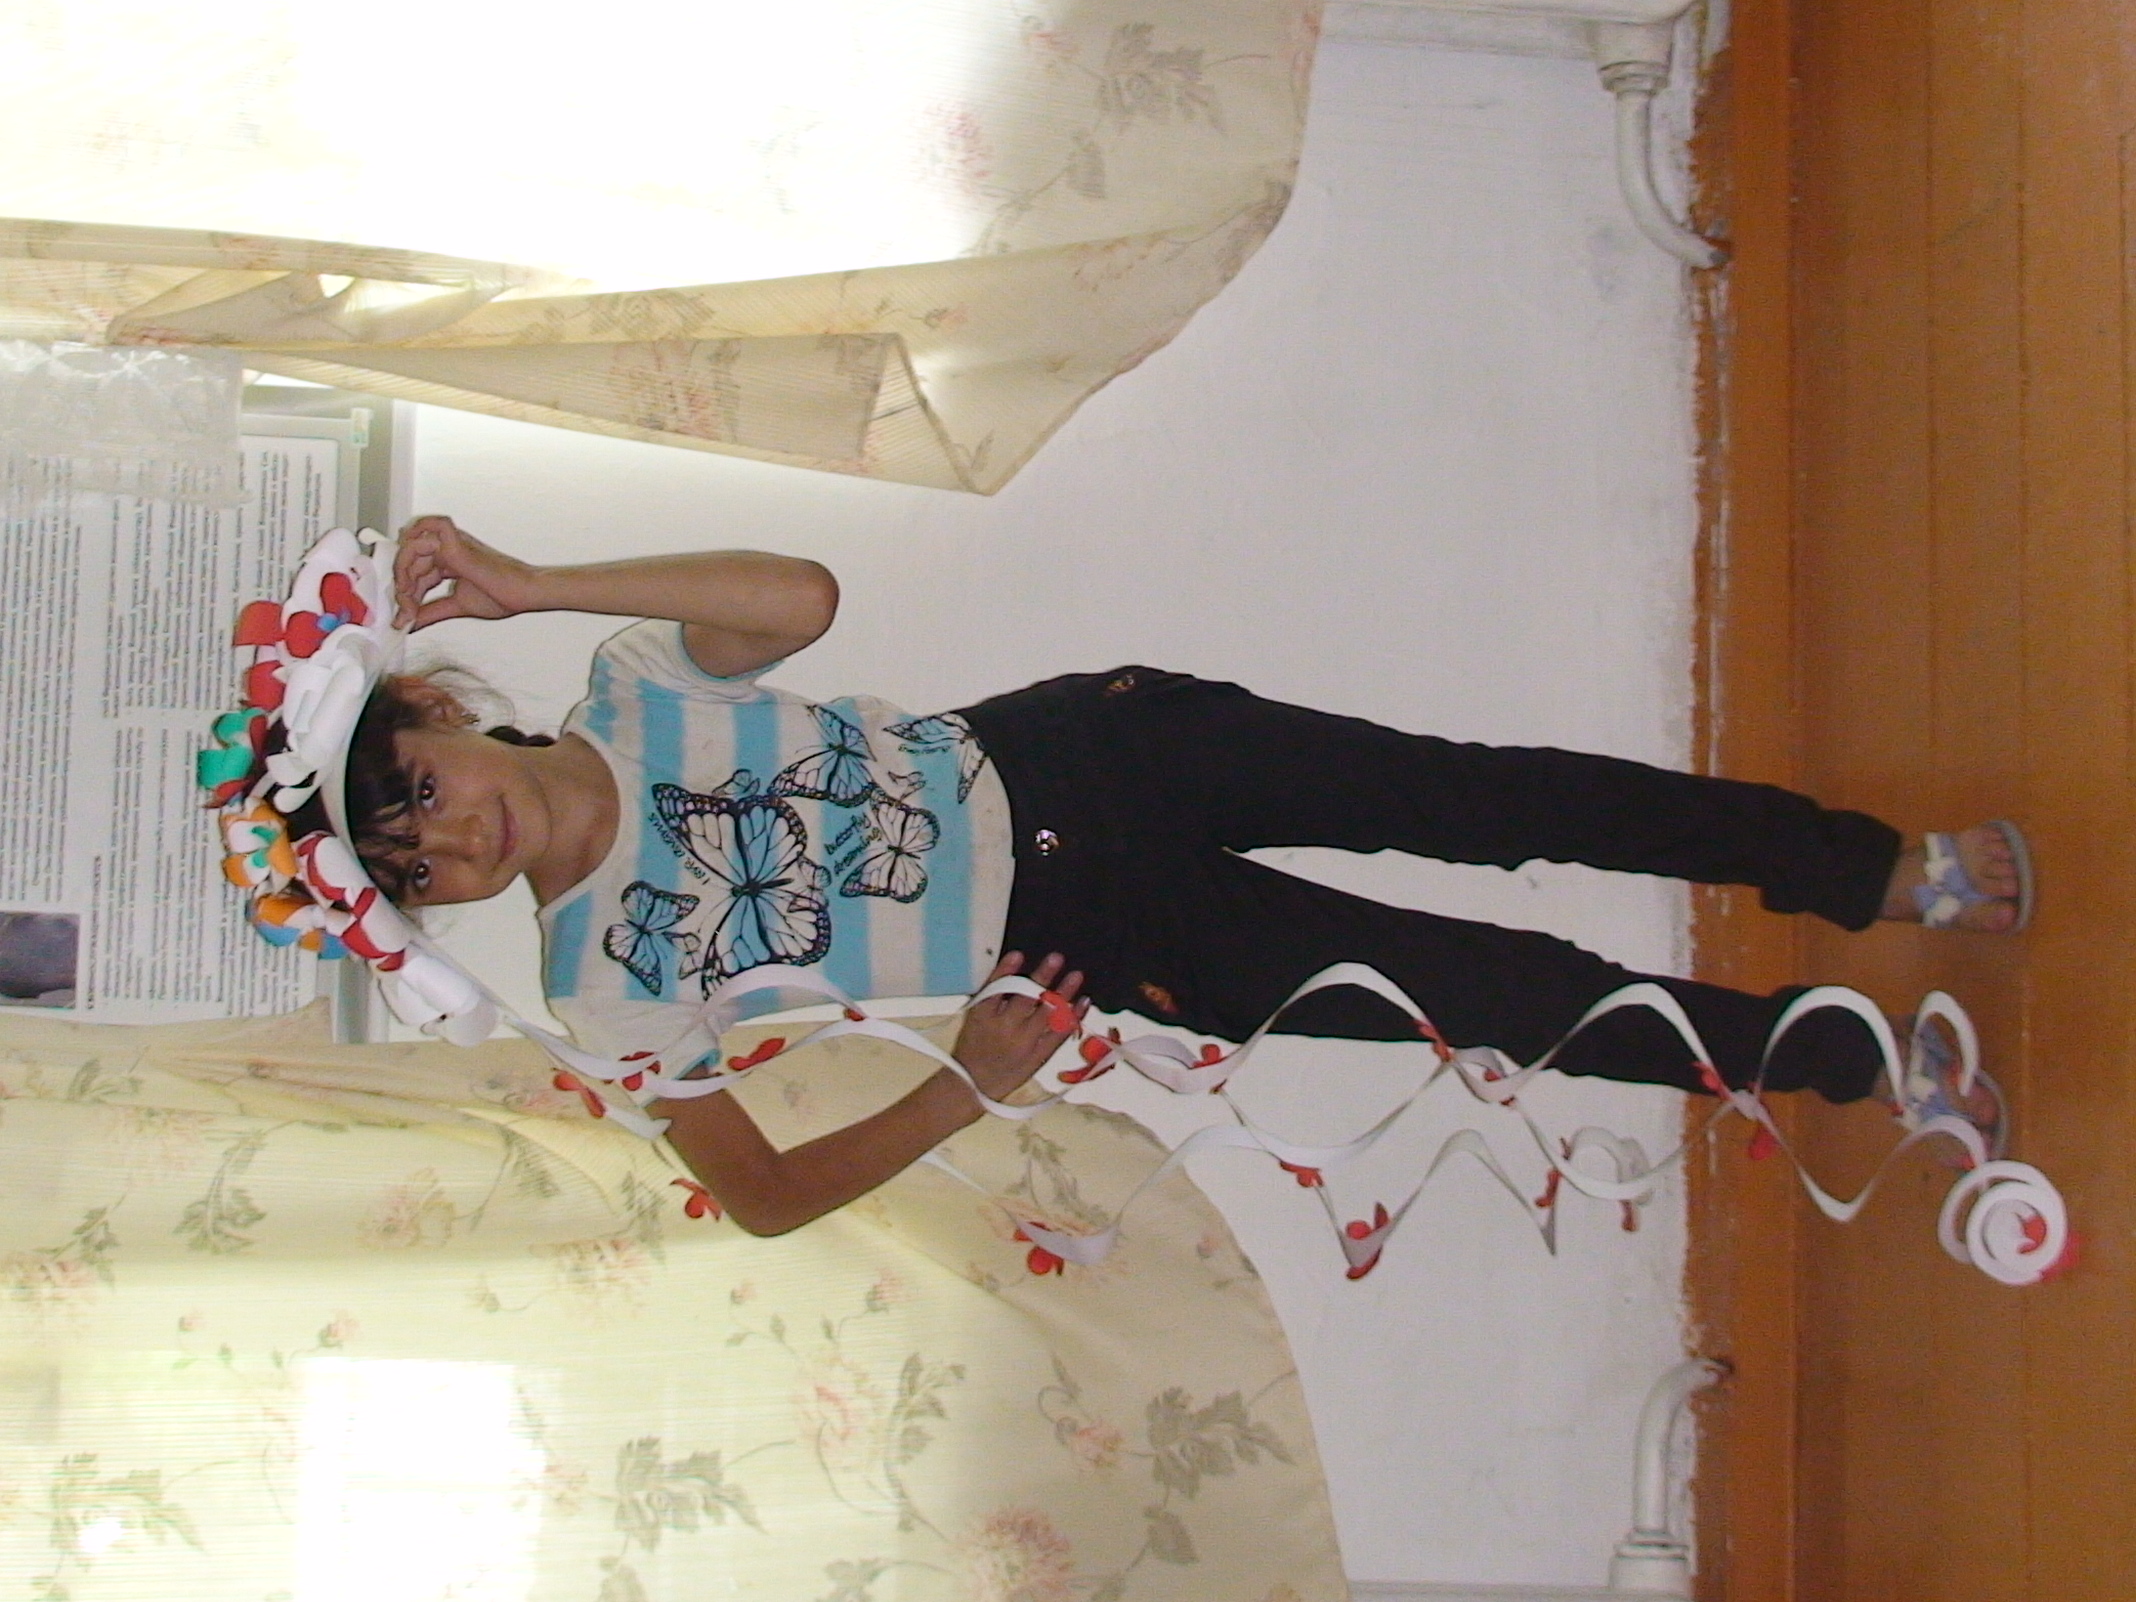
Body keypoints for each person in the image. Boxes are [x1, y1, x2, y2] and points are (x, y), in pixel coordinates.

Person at [297, 516, 2030, 1236]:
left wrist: (534, 581)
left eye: (420, 789)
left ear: (437, 710)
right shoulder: (600, 991)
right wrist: (969, 1088)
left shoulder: (627, 677)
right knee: (1493, 997)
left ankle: (1883, 871)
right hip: (1083, 936)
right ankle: (1859, 1060)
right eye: (412, 865)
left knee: (1492, 799)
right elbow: (758, 1192)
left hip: (1093, 753)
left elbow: (801, 600)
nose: (451, 837)